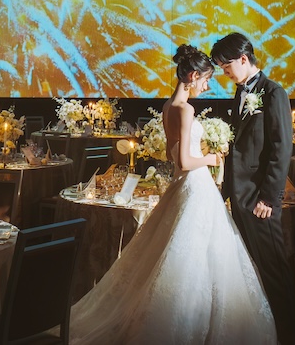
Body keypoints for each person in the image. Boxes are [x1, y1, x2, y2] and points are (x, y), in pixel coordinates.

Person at [67, 44, 278, 345]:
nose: (208, 86)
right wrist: (211, 157)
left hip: (183, 185)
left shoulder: (168, 106)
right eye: (206, 79)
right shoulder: (187, 109)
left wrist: (197, 154)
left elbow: (170, 154)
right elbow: (184, 161)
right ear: (193, 76)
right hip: (195, 185)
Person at [211, 32, 295, 345]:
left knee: (274, 271)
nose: (225, 73)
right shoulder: (240, 93)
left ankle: (289, 336)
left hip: (260, 201)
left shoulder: (274, 93)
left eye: (226, 67)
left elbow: (281, 149)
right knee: (251, 270)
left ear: (244, 59)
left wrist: (269, 198)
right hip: (239, 197)